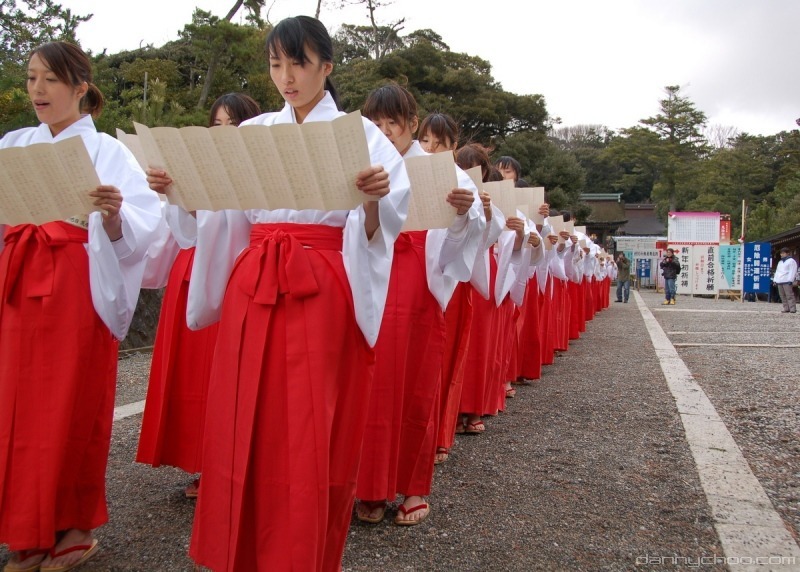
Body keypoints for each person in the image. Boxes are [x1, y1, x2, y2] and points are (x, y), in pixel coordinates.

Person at [183, 16, 410, 572]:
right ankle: (242, 550)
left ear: (326, 67)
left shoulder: (362, 135)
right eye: (275, 64)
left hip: (321, 283)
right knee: (245, 414)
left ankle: (300, 553)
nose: (286, 76)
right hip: (255, 279)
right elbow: (225, 214)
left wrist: (375, 198)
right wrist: (186, 193)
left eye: (299, 63)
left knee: (311, 421)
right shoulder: (255, 132)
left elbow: (384, 224)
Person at [0, 41, 161, 572]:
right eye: (30, 79)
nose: (37, 91)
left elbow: (144, 227)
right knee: (17, 408)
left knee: (72, 404)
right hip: (21, 281)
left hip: (78, 282)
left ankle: (73, 525)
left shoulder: (111, 153)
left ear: (80, 87)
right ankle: (27, 528)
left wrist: (114, 216)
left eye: (49, 79)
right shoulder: (15, 142)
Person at [355, 84, 483, 526]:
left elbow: (477, 228)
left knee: (414, 383)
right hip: (367, 273)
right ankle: (368, 486)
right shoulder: (361, 161)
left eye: (394, 122)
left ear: (412, 124)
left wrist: (465, 213)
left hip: (416, 281)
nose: (386, 132)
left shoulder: (438, 169)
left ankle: (412, 487)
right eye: (376, 123)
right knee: (367, 386)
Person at [136, 93, 262, 499]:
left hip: (234, 275)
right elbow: (185, 230)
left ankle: (227, 463)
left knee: (226, 376)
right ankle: (200, 459)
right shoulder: (198, 165)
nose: (224, 131)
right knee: (192, 374)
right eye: (218, 123)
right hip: (193, 270)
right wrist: (173, 193)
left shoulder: (258, 170)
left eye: (234, 123)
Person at [773, 246, 798, 313]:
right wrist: (775, 280)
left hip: (787, 280)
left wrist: (790, 280)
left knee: (789, 295)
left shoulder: (791, 261)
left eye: (783, 253)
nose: (781, 254)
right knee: (782, 295)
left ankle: (792, 308)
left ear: (787, 253)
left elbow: (792, 271)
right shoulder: (780, 262)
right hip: (780, 280)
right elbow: (777, 271)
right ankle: (786, 308)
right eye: (781, 253)